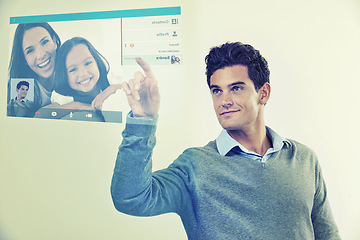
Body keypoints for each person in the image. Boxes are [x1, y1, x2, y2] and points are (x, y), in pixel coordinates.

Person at [111, 42, 341, 239]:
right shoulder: (195, 166)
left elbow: (327, 234)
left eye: (236, 88)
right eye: (217, 91)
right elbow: (131, 198)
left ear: (264, 93)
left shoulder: (304, 159)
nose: (224, 101)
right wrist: (143, 120)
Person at [38, 37, 123, 121]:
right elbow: (39, 115)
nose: (83, 73)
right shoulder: (65, 97)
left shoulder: (110, 80)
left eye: (88, 63)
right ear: (64, 75)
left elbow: (131, 87)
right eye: (73, 69)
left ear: (97, 62)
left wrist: (112, 88)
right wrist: (77, 106)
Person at [7, 22, 61, 117]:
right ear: (24, 59)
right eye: (30, 51)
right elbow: (20, 126)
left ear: (55, 42)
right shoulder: (22, 85)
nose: (40, 55)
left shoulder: (70, 69)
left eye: (44, 42)